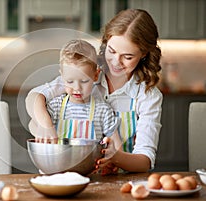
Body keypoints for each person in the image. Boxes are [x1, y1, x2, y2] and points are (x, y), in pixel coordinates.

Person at [25, 9, 163, 174]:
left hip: (119, 183)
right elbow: (34, 97)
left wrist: (117, 158)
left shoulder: (147, 95)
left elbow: (145, 160)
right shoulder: (85, 74)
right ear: (106, 42)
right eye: (111, 51)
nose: (116, 62)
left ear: (144, 54)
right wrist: (44, 125)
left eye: (127, 57)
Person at [46, 39, 119, 141]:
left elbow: (116, 147)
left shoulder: (103, 111)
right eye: (70, 81)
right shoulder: (55, 107)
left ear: (96, 75)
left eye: (84, 81)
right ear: (62, 76)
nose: (77, 88)